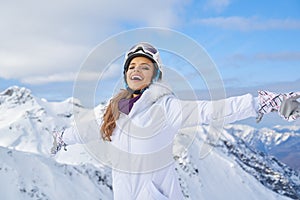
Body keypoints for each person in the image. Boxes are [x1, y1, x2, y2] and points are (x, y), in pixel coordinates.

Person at [51, 42, 300, 200]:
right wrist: (62, 138)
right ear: (126, 75)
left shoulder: (165, 107)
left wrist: (267, 103)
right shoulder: (115, 111)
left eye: (145, 67)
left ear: (156, 75)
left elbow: (212, 110)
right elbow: (87, 131)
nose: (136, 70)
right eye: (131, 66)